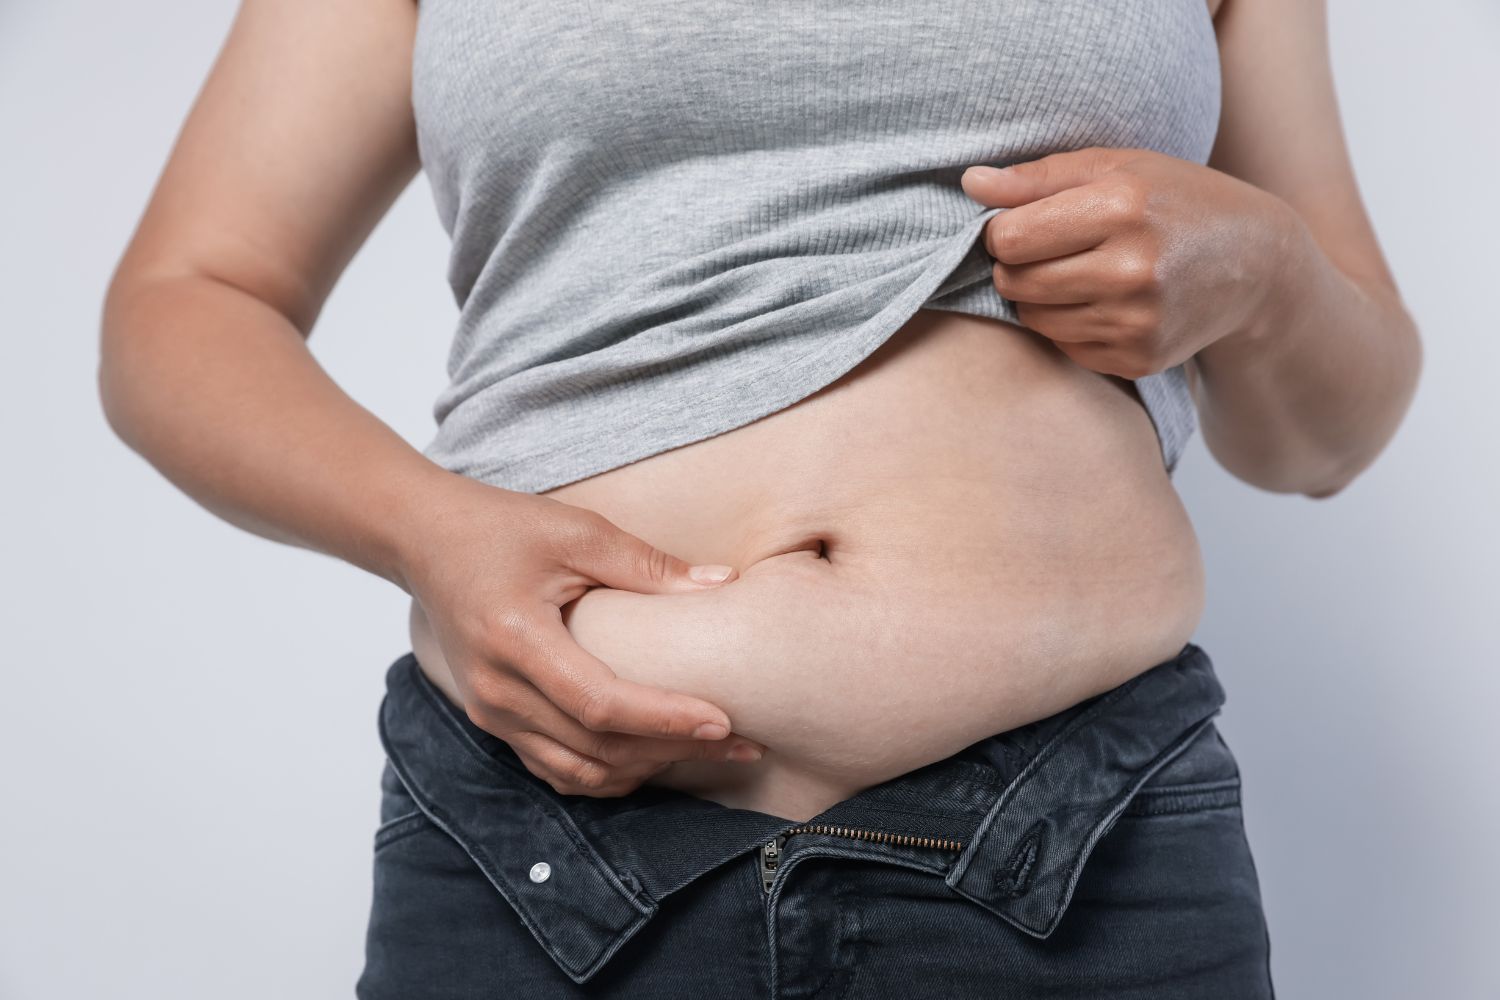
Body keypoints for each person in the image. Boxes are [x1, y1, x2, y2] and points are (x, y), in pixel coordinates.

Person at [98, 0, 1421, 996]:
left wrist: (1267, 269)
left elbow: (1325, 439)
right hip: (537, 845)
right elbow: (185, 300)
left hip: (1077, 834)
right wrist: (428, 532)